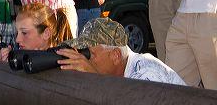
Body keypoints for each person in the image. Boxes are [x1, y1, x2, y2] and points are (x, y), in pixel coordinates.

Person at [56, 18, 186, 86]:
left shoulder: (146, 74)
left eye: (90, 54)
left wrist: (95, 77)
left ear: (116, 55)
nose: (85, 60)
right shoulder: (124, 73)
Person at [0, 2, 72, 61]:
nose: (17, 40)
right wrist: (5, 66)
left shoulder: (62, 62)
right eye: (17, 33)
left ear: (46, 34)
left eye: (24, 33)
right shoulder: (19, 58)